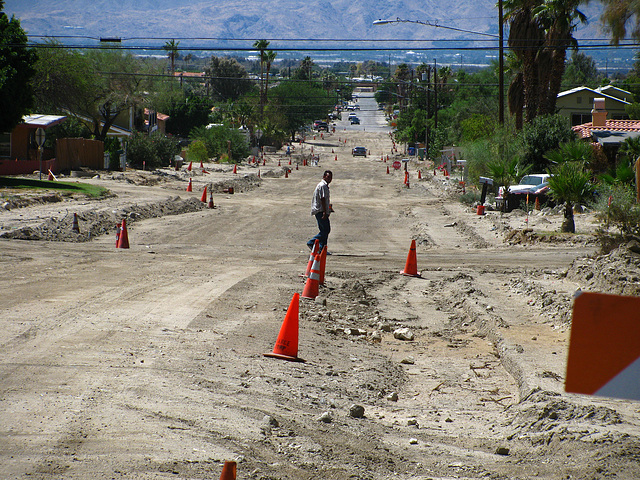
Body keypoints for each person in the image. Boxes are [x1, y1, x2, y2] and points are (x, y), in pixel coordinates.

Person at [307, 170, 333, 253]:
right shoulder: (322, 186)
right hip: (320, 210)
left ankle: (322, 249)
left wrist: (329, 209)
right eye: (328, 177)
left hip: (322, 210)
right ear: (324, 177)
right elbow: (322, 199)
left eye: (330, 177)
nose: (329, 179)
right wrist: (325, 212)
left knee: (324, 230)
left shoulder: (324, 186)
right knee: (326, 230)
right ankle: (312, 242)